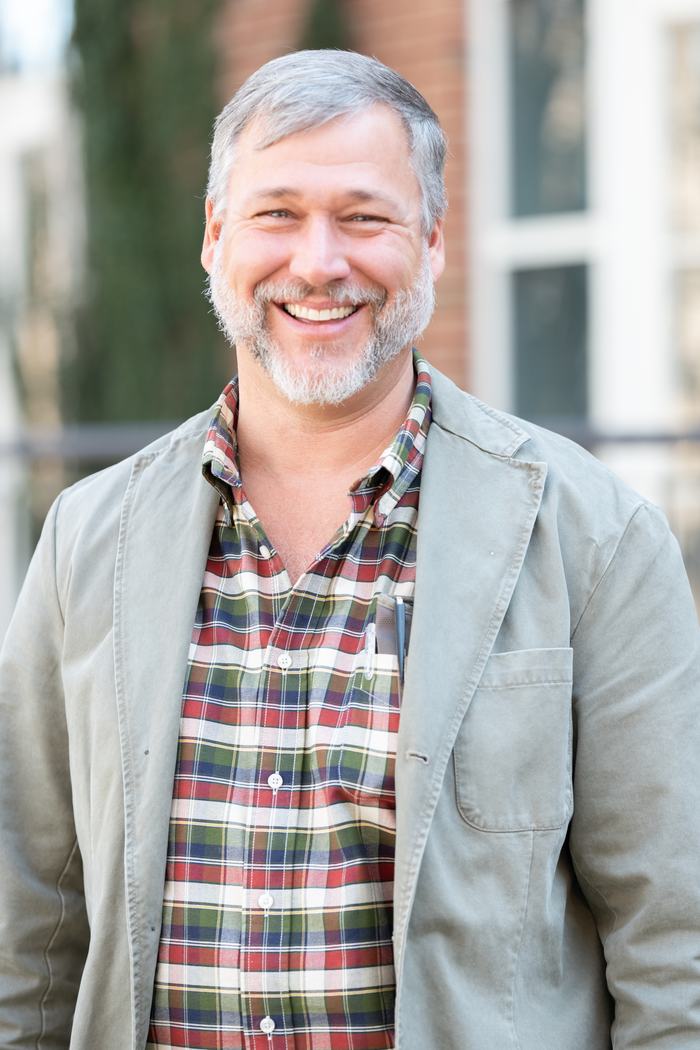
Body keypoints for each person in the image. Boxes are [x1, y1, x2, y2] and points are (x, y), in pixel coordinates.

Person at [1, 48, 699, 1050]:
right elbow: (26, 934)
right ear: (215, 236)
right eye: (277, 213)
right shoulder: (87, 540)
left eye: (364, 218)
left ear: (432, 243)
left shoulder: (596, 538)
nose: (319, 261)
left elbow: (674, 949)